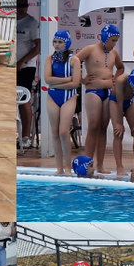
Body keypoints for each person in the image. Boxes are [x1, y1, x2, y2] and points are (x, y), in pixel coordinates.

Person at [77, 24, 124, 174]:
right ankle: (87, 163)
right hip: (93, 90)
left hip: (108, 91)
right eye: (112, 40)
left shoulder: (114, 53)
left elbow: (121, 67)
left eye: (116, 41)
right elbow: (74, 61)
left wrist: (116, 79)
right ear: (104, 38)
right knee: (93, 126)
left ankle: (100, 165)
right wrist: (82, 80)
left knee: (103, 128)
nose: (114, 44)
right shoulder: (90, 49)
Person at [44, 30, 81, 174]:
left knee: (63, 132)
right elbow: (47, 80)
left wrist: (55, 83)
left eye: (60, 42)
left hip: (69, 97)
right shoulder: (49, 59)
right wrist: (67, 79)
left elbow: (75, 84)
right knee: (54, 133)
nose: (57, 45)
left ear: (67, 43)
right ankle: (59, 168)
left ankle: (68, 166)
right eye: (55, 42)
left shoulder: (74, 60)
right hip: (53, 97)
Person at [109, 68, 134, 176]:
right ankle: (119, 167)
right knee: (118, 132)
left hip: (131, 101)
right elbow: (119, 102)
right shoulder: (120, 80)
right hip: (115, 101)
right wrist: (119, 123)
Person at [16, 0, 40, 148]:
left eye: (24, 5)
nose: (21, 8)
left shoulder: (32, 23)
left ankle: (26, 136)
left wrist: (22, 61)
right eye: (19, 5)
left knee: (23, 100)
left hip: (26, 67)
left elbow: (38, 47)